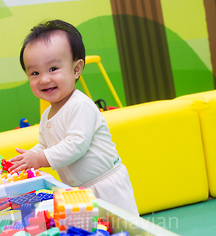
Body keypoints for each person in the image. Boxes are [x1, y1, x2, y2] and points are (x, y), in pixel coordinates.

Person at [8, 20, 139, 216]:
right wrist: (28, 159)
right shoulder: (47, 115)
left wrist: (40, 159)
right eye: (35, 73)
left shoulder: (80, 105)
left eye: (53, 69)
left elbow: (76, 144)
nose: (44, 79)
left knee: (124, 230)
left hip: (106, 186)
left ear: (76, 69)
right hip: (80, 193)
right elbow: (45, 145)